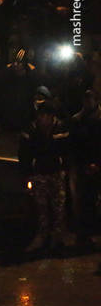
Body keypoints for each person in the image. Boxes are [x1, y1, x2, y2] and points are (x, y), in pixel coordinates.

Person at [19, 96, 71, 253]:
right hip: (39, 174)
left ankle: (57, 238)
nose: (41, 118)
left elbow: (67, 150)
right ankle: (41, 236)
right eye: (40, 115)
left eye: (44, 115)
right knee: (41, 208)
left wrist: (64, 169)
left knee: (59, 207)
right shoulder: (31, 130)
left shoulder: (61, 129)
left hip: (56, 173)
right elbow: (24, 153)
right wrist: (27, 173)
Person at [68, 89, 101, 247]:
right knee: (84, 201)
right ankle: (85, 233)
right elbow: (74, 146)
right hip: (83, 167)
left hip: (95, 165)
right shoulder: (77, 120)